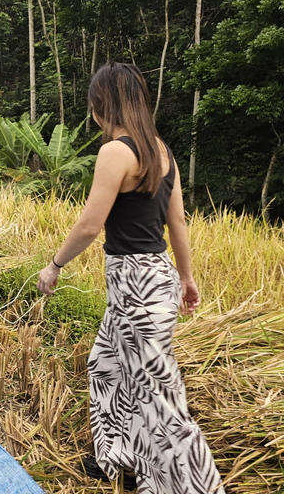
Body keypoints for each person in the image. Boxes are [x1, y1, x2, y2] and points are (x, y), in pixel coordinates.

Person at [37, 63, 225, 493]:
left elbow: (90, 225)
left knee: (161, 402)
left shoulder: (115, 152)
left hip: (137, 285)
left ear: (101, 104)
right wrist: (185, 278)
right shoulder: (161, 151)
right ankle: (119, 458)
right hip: (150, 279)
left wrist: (55, 265)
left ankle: (198, 487)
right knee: (105, 365)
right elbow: (177, 222)